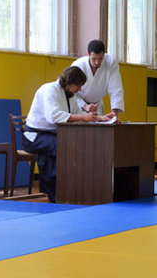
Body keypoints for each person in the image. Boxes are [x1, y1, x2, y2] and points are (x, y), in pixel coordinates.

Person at [23, 66, 115, 203]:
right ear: (69, 82)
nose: (80, 89)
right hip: (34, 136)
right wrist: (83, 117)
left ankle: (72, 188)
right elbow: (54, 116)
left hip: (53, 135)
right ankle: (55, 193)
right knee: (60, 146)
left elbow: (79, 113)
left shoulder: (70, 95)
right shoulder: (49, 90)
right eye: (78, 86)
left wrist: (101, 118)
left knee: (74, 144)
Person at [71, 39, 124, 116]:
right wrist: (84, 106)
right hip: (79, 105)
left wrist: (114, 114)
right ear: (88, 54)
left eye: (100, 59)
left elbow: (116, 89)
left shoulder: (110, 62)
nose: (97, 62)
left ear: (104, 54)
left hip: (97, 105)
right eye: (94, 59)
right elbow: (71, 92)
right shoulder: (78, 65)